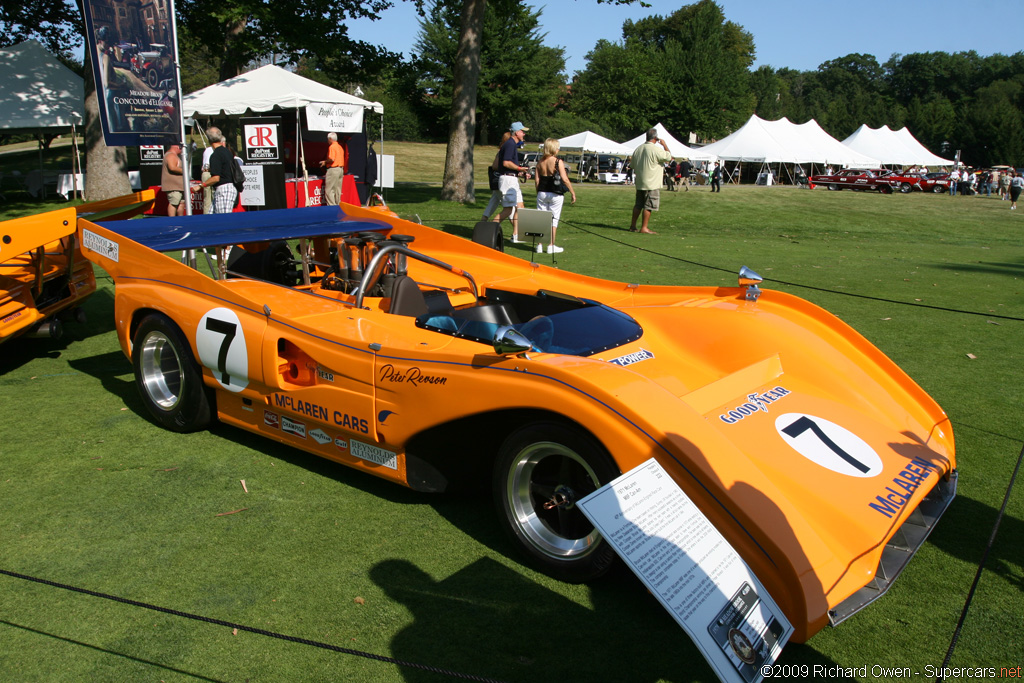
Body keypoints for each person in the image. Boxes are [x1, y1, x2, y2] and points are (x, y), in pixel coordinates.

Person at [534, 138, 576, 254]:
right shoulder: (558, 162)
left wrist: (538, 191)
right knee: (554, 219)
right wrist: (572, 192)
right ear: (554, 149)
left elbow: (537, 180)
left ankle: (539, 245)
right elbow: (565, 179)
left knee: (541, 218)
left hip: (542, 192)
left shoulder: (540, 161)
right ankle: (551, 245)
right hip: (555, 193)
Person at [628, 128, 672, 234]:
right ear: (655, 138)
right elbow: (668, 157)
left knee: (638, 204)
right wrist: (664, 145)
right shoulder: (656, 149)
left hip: (640, 181)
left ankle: (633, 226)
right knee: (649, 205)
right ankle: (644, 227)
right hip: (652, 182)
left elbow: (632, 165)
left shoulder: (638, 149)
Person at [495, 122, 531, 243]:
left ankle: (516, 235)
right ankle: (489, 229)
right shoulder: (510, 144)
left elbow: (508, 165)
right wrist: (519, 169)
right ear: (516, 132)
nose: (524, 133)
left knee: (520, 207)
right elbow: (506, 163)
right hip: (507, 180)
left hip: (511, 178)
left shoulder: (512, 144)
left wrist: (519, 172)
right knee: (508, 210)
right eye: (522, 131)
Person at [194, 127, 237, 214]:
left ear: (209, 140)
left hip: (224, 189)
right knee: (212, 215)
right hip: (227, 188)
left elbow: (216, 178)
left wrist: (200, 186)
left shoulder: (216, 155)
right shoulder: (227, 151)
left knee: (224, 220)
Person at [481, 132, 512, 221]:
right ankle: (516, 231)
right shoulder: (503, 151)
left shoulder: (503, 150)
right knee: (509, 207)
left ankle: (483, 221)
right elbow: (495, 166)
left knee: (493, 202)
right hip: (500, 181)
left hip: (498, 182)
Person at [320, 132, 348, 206]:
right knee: (337, 189)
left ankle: (331, 206)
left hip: (333, 169)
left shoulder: (332, 147)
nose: (327, 141)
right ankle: (338, 204)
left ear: (330, 139)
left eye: (328, 139)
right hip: (340, 169)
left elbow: (332, 159)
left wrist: (325, 162)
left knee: (329, 189)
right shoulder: (340, 147)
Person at [161, 143, 185, 217]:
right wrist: (184, 171)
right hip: (173, 186)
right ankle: (172, 221)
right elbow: (172, 167)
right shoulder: (171, 155)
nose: (182, 151)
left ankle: (181, 221)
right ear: (177, 147)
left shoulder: (174, 155)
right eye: (181, 148)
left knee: (181, 203)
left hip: (179, 186)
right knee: (174, 203)